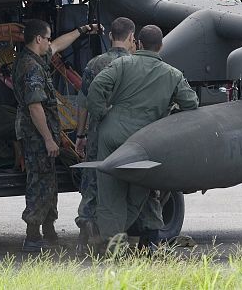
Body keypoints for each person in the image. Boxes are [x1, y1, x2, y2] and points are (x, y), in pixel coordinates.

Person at [87, 25, 199, 247]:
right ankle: (143, 239)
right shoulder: (172, 73)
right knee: (141, 192)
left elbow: (97, 86)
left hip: (112, 132)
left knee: (110, 192)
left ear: (137, 43)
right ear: (161, 46)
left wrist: (102, 113)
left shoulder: (121, 63)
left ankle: (113, 244)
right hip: (145, 139)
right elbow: (192, 103)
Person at [12, 18, 99, 252]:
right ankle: (32, 236)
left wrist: (82, 30)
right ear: (38, 39)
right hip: (36, 135)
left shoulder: (36, 58)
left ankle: (48, 230)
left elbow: (59, 45)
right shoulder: (30, 67)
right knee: (39, 182)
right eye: (47, 37)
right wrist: (49, 139)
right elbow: (35, 107)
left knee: (48, 181)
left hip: (42, 133)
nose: (49, 42)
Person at [73, 17, 136, 248]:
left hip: (97, 134)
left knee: (91, 181)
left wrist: (80, 136)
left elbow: (84, 104)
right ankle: (118, 234)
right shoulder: (136, 63)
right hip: (127, 134)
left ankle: (85, 233)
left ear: (110, 36)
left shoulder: (95, 64)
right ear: (131, 38)